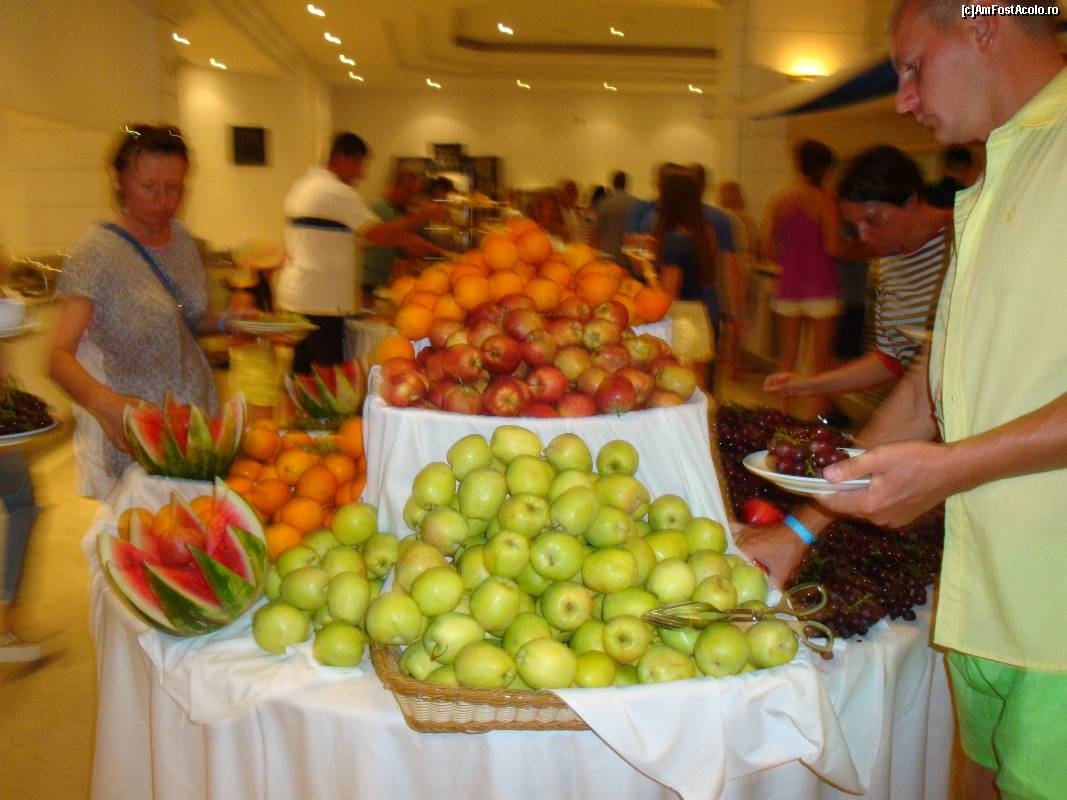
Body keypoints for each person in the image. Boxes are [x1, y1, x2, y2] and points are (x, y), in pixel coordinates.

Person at [753, 4, 1067, 798]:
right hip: (984, 596)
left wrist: (950, 469)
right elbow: (931, 388)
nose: (902, 99)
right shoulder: (995, 176)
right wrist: (802, 526)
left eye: (911, 66)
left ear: (983, 25)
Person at [50, 124, 229, 499]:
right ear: (120, 182)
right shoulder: (96, 251)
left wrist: (233, 321)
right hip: (139, 438)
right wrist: (105, 405)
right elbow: (57, 356)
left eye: (175, 188)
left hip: (198, 422)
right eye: (149, 187)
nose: (164, 200)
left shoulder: (181, 239)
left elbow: (187, 318)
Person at [763, 145, 950, 400]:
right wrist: (807, 385)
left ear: (910, 201)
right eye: (855, 225)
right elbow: (891, 358)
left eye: (872, 221)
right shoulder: (887, 263)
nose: (863, 236)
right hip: (924, 405)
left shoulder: (967, 238)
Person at [275, 133, 446, 372]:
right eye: (360, 165)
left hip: (298, 295)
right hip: (321, 301)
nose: (361, 174)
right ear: (345, 157)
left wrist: (414, 242)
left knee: (302, 372)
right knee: (327, 377)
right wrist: (422, 216)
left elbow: (353, 238)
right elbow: (379, 235)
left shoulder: (303, 186)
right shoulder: (336, 192)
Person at [761, 140, 848, 420]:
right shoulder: (827, 201)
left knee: (786, 360)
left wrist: (790, 257)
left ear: (798, 165)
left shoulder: (780, 200)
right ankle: (812, 424)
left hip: (788, 288)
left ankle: (779, 418)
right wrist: (862, 250)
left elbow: (766, 248)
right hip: (822, 288)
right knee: (818, 365)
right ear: (826, 169)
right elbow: (833, 246)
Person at [362, 170, 448, 294]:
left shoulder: (395, 210)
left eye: (414, 193)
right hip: (368, 279)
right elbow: (406, 239)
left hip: (379, 278)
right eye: (409, 191)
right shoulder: (381, 208)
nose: (411, 197)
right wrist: (442, 252)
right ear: (396, 187)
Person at [591, 171, 638, 267]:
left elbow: (596, 231)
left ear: (613, 183)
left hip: (607, 255)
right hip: (628, 257)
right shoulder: (636, 203)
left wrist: (591, 252)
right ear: (626, 184)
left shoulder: (604, 203)